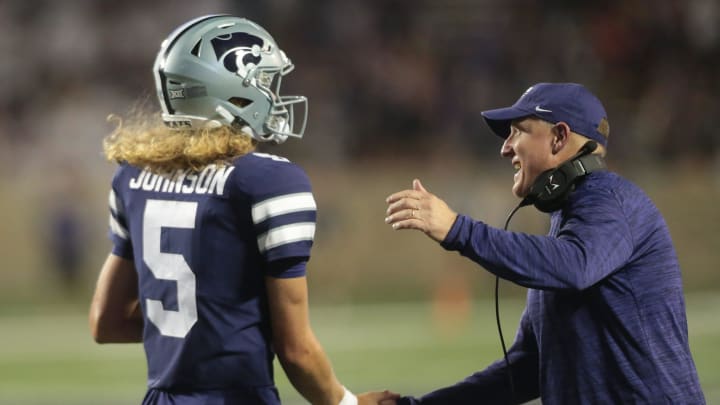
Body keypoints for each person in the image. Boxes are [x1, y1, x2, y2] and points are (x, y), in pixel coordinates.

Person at [89, 15, 399, 405]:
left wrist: (216, 328)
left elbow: (106, 321)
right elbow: (296, 349)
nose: (272, 94)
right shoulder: (269, 182)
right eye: (264, 81)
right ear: (227, 89)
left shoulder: (132, 179)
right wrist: (348, 403)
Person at [384, 83, 705, 404]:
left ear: (559, 137)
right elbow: (526, 371)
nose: (505, 148)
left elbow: (575, 265)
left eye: (517, 132)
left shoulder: (613, 201)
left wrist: (458, 229)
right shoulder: (569, 225)